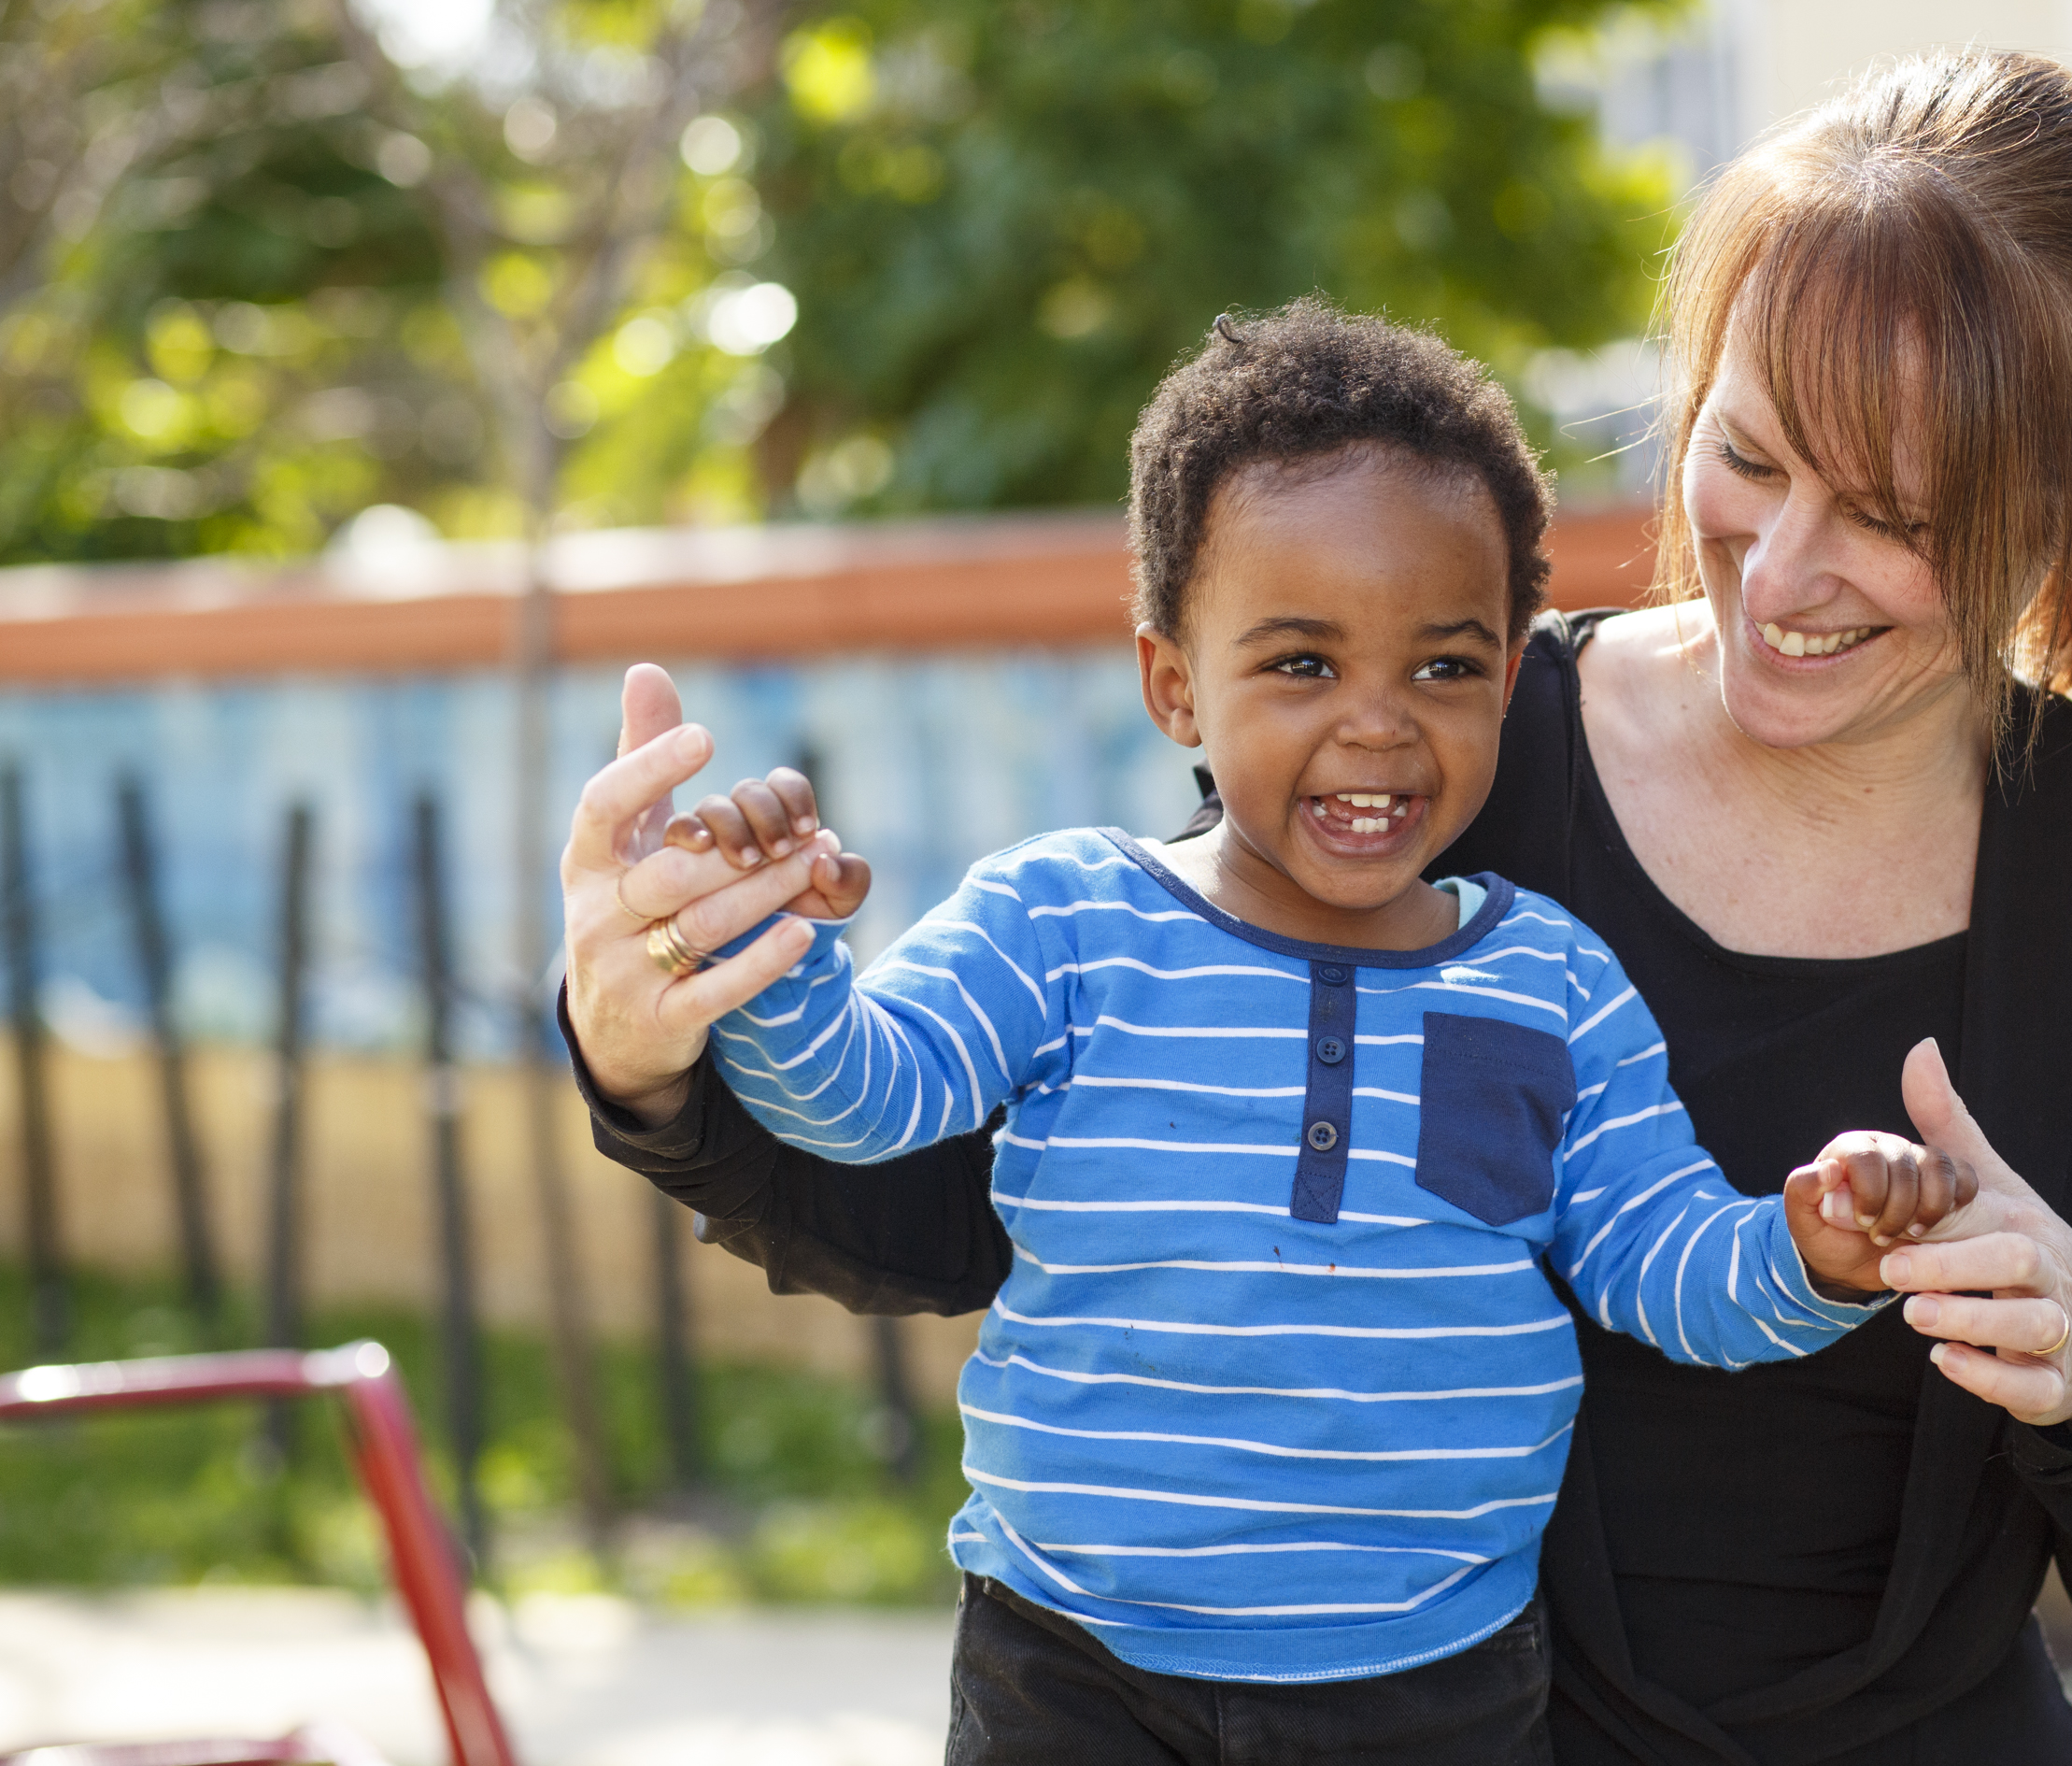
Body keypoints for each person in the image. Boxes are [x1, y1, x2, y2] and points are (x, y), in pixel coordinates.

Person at [563, 49, 2072, 1764]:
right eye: (1752, 456)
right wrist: (660, 1048)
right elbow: (967, 1210)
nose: (1782, 574)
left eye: (1897, 513)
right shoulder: (1442, 748)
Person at [572, 303, 1975, 1764]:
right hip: (1076, 1665)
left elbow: (1662, 1264)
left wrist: (1812, 1245)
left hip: (1436, 1684)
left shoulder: (1553, 983)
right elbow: (859, 1100)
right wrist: (769, 943)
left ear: (1508, 679)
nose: (1377, 725)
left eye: (1442, 667)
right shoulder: (1063, 922)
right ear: (1174, 679)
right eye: (1302, 663)